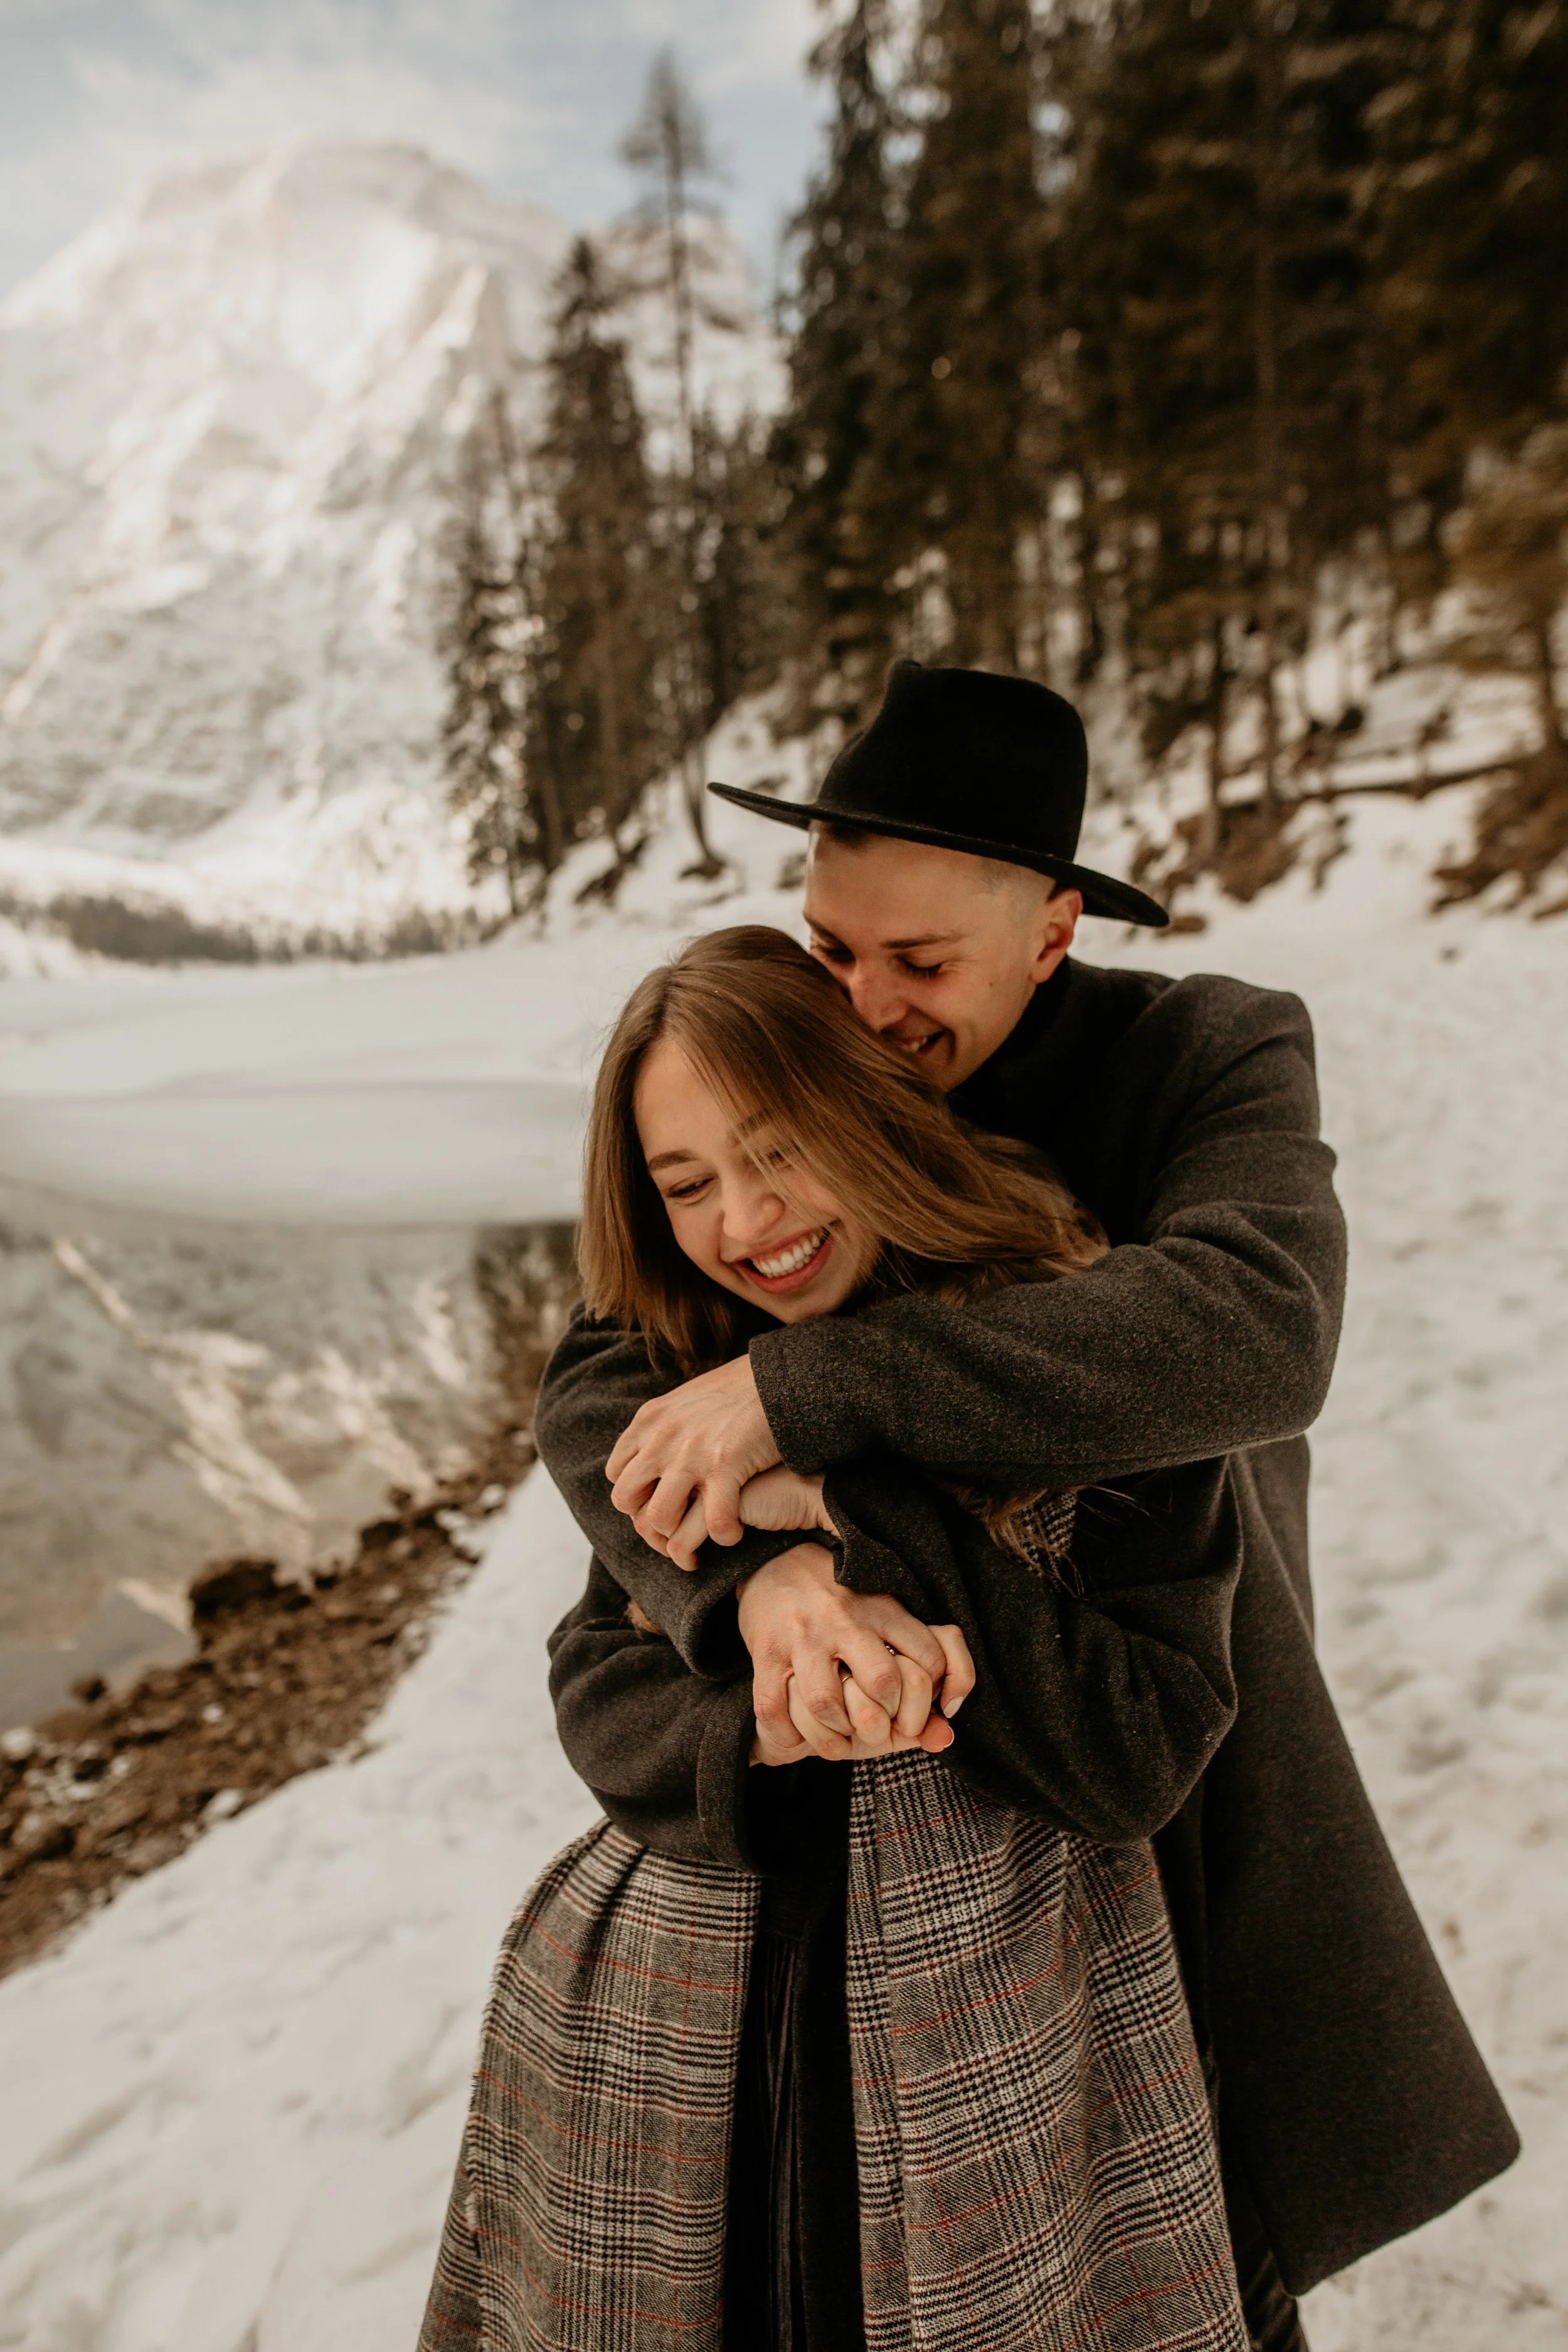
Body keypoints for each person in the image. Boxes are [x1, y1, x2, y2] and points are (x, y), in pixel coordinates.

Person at [529, 663, 1518, 2341]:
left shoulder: (1196, 1051)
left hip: (1162, 1666)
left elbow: (1255, 1323)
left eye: (920, 961)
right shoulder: (802, 1085)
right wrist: (753, 1588)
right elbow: (603, 1373)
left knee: (1184, 2200)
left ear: (1051, 929)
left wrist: (805, 1402)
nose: (864, 1002)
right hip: (858, 1831)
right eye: (834, 947)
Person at [421, 924, 1259, 2352]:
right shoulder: (670, 1376)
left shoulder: (1076, 1354)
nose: (745, 1223)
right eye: (686, 1185)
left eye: (778, 1151)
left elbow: (1134, 1757)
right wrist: (764, 1672)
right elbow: (595, 1685)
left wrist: (840, 1503)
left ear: (865, 1110)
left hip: (997, 2045)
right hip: (665, 2038)